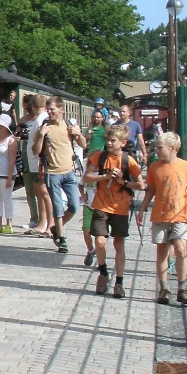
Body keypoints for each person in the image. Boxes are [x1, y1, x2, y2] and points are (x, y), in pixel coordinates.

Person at [81, 125, 143, 298]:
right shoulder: (99, 157)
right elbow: (86, 177)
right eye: (108, 140)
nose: (109, 143)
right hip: (101, 204)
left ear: (122, 143)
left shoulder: (128, 161)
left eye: (113, 140)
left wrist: (123, 182)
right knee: (100, 241)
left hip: (120, 207)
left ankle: (120, 282)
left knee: (119, 245)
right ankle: (103, 273)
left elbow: (141, 185)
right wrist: (104, 176)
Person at [136, 131, 187, 305]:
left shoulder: (185, 166)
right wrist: (141, 210)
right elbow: (151, 190)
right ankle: (164, 289)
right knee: (162, 252)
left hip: (180, 214)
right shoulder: (155, 167)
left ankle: (182, 288)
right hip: (160, 215)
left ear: (173, 148)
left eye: (160, 148)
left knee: (180, 248)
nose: (157, 151)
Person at [32, 96, 85, 254]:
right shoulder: (45, 126)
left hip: (69, 172)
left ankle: (55, 227)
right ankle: (61, 240)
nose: (49, 112)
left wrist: (78, 134)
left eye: (52, 110)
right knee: (58, 208)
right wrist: (41, 135)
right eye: (48, 110)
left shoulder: (69, 126)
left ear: (61, 110)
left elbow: (83, 144)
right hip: (52, 173)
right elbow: (35, 151)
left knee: (74, 206)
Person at [20, 94, 51, 236]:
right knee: (40, 194)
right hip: (36, 162)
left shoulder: (41, 120)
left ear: (33, 106)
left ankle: (47, 225)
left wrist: (41, 164)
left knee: (43, 194)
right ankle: (43, 223)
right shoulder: (42, 119)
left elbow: (43, 142)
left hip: (38, 163)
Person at [81, 109, 108, 267]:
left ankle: (100, 259)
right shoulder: (90, 129)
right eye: (95, 117)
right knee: (86, 231)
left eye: (99, 117)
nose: (97, 119)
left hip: (101, 204)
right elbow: (85, 141)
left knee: (101, 234)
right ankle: (91, 250)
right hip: (91, 159)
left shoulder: (105, 131)